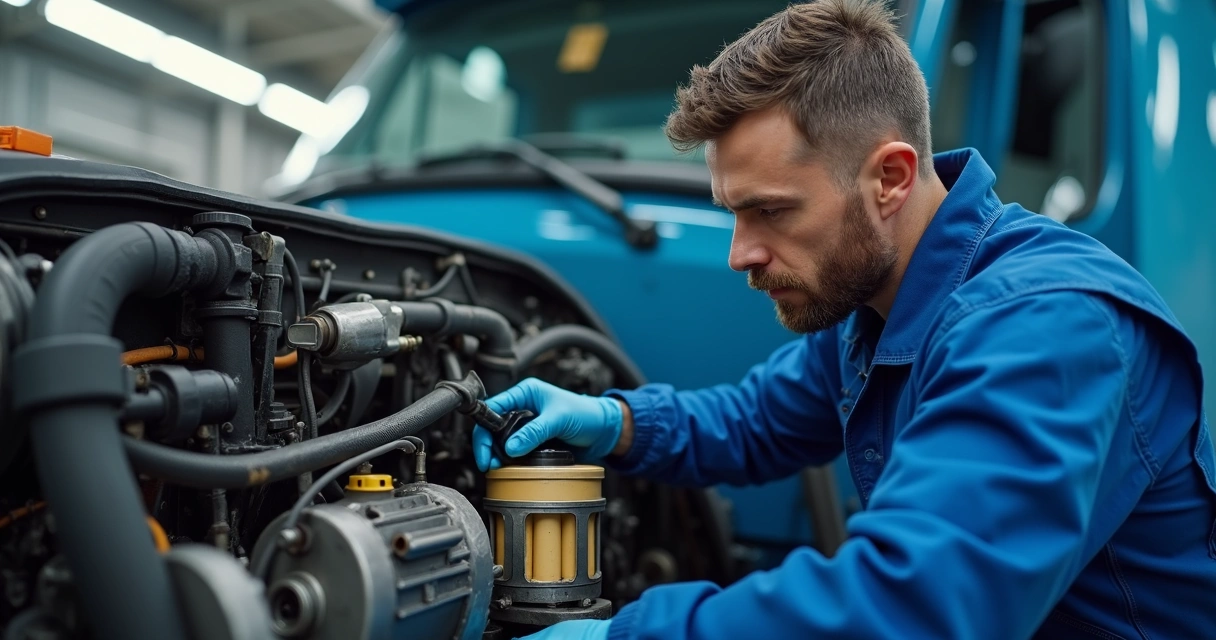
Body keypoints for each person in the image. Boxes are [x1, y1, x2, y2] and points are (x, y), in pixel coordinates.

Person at [472, 1, 1216, 638]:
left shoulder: (1045, 325)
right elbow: (757, 421)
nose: (740, 254)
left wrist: (628, 634)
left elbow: (909, 606)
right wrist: (616, 422)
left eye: (771, 211)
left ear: (890, 177)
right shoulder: (878, 303)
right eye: (733, 213)